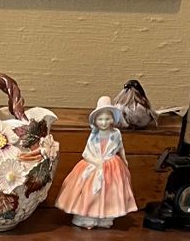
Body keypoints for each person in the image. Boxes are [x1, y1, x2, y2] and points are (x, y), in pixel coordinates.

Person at [56, 96, 137, 228]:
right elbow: (86, 153)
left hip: (112, 166)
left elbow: (120, 147)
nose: (104, 122)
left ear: (112, 119)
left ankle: (106, 216)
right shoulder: (94, 135)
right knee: (89, 191)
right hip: (94, 164)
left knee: (111, 192)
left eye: (107, 119)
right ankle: (87, 216)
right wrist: (95, 162)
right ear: (95, 120)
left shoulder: (116, 133)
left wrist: (124, 159)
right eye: (100, 119)